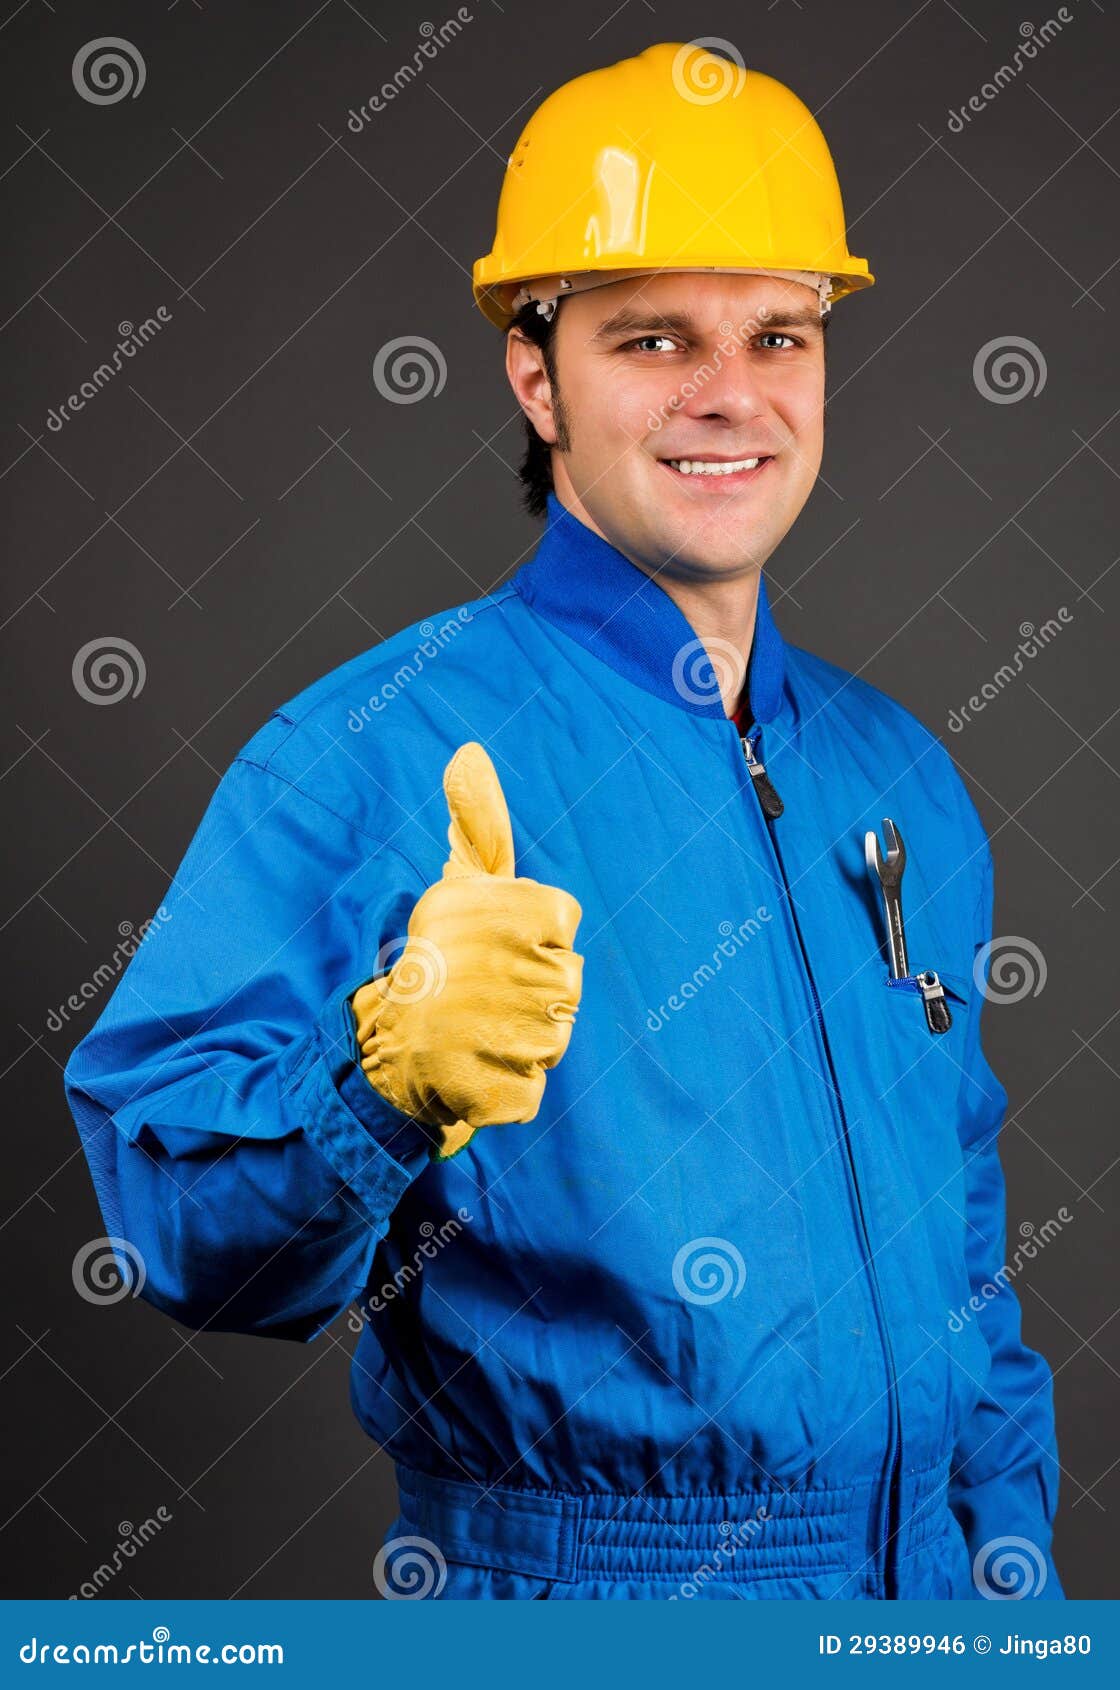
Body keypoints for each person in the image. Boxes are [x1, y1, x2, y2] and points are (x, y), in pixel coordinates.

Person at [64, 42, 1062, 1601]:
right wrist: (379, 1083)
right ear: (537, 374)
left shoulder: (897, 777)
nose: (729, 393)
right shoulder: (373, 754)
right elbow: (177, 1221)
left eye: (779, 335)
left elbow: (967, 1261)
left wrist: (1009, 1574)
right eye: (652, 337)